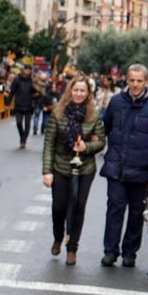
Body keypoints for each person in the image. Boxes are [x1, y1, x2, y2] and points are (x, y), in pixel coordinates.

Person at [100, 64, 148, 267]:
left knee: (135, 213)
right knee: (114, 208)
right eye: (132, 80)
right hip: (117, 167)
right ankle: (110, 251)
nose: (135, 84)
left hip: (142, 170)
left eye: (140, 81)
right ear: (126, 80)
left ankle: (130, 252)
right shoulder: (116, 102)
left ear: (146, 81)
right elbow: (104, 128)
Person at [42, 74, 105, 266]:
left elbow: (101, 141)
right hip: (60, 166)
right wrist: (47, 171)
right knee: (59, 207)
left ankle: (72, 248)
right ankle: (58, 236)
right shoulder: (58, 113)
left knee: (78, 208)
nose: (79, 94)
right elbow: (49, 144)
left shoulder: (94, 116)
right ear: (70, 91)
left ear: (88, 94)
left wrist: (87, 147)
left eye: (82, 91)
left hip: (84, 169)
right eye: (76, 90)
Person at [7, 65, 37, 149]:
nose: (27, 71)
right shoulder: (17, 79)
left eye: (29, 69)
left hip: (29, 105)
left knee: (27, 124)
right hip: (19, 104)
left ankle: (23, 140)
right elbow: (12, 92)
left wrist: (35, 96)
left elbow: (37, 91)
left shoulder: (32, 80)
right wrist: (7, 103)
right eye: (26, 69)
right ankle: (22, 135)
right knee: (18, 122)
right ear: (23, 70)